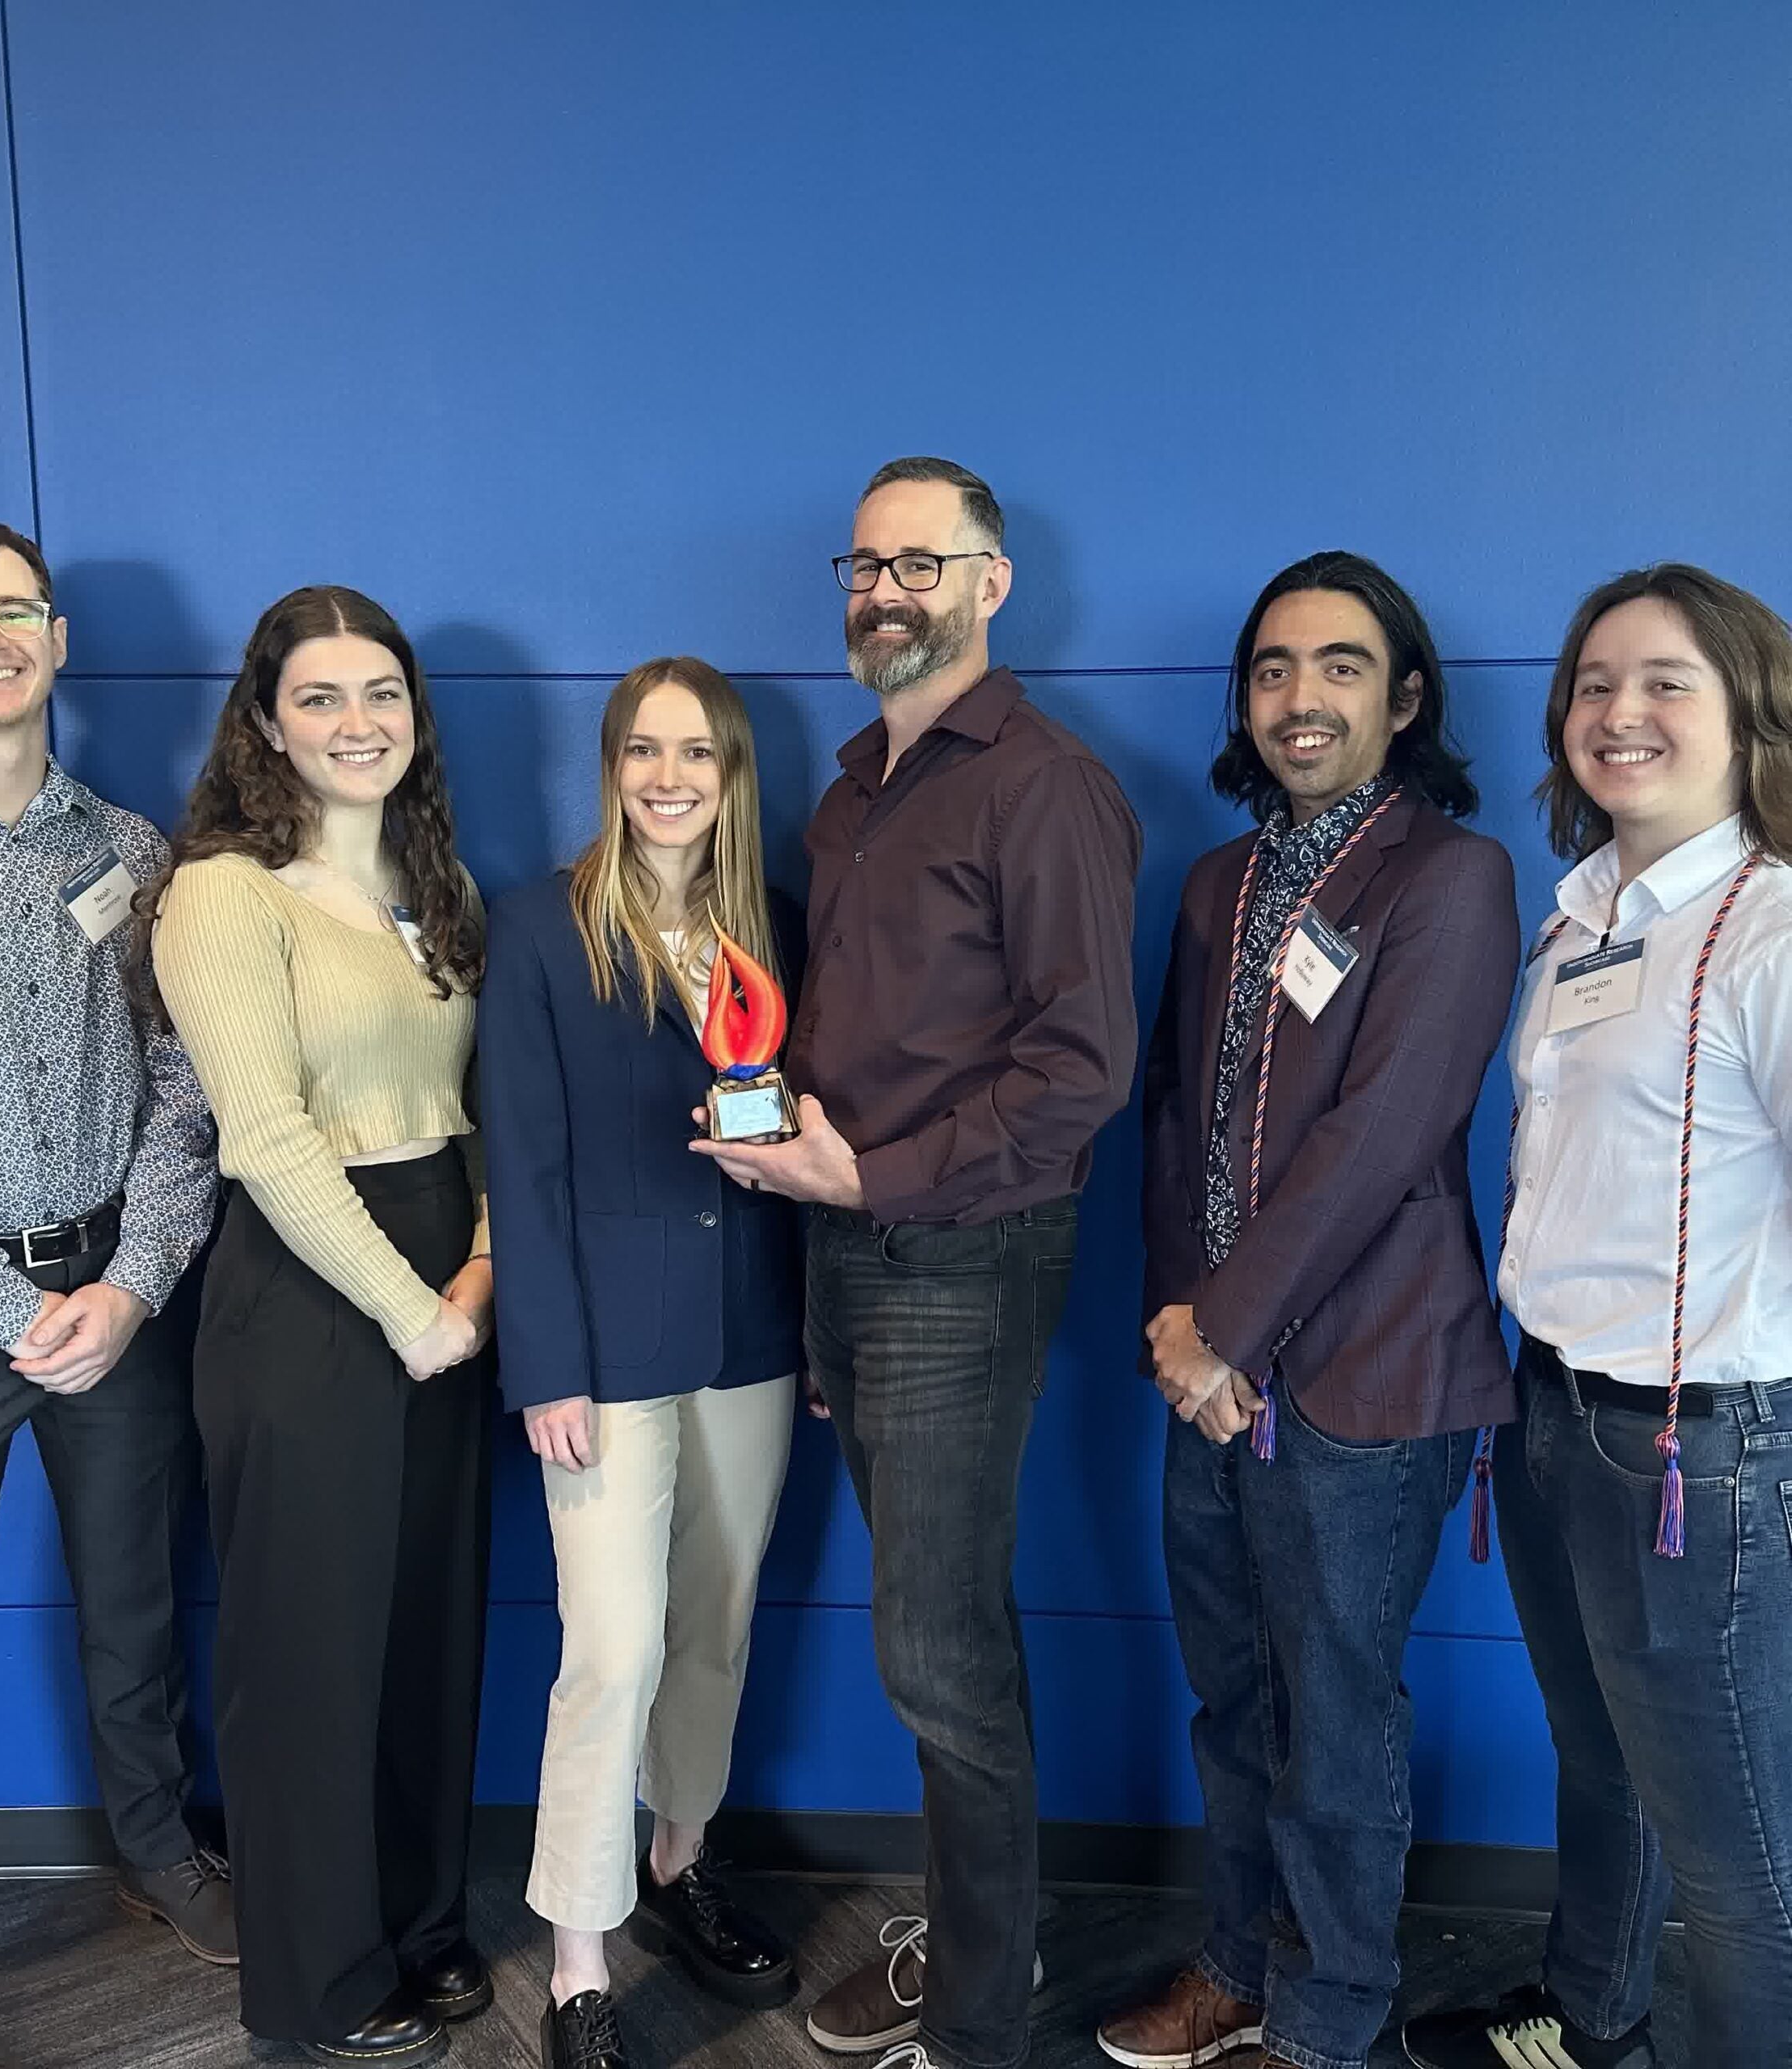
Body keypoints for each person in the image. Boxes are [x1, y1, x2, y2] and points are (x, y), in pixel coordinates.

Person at [694, 457, 1141, 2069]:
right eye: (864, 564)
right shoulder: (856, 785)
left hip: (959, 1260)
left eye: (919, 564)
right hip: (856, 1259)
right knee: (941, 1636)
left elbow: (1080, 1067)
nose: (883, 590)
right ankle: (975, 1939)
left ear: (991, 582)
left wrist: (868, 1170)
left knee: (938, 1655)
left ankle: (974, 2017)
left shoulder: (1042, 784)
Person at [1099, 552, 1518, 2069]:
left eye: (1340, 666)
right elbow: (1166, 1120)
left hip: (1357, 1376)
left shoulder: (1448, 875)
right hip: (1202, 1380)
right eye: (1273, 668)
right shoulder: (1220, 881)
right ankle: (1234, 1967)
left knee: (1334, 1722)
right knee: (1232, 1703)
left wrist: (1230, 1328)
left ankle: (1329, 2018)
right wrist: (1177, 1330)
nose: (1300, 697)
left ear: (1403, 698)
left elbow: (1388, 1129)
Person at [1403, 566, 1792, 2069]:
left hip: (1698, 1445)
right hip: (1554, 1402)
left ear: (1747, 712)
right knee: (1598, 1758)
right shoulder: (1579, 925)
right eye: (1593, 685)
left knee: (1737, 1853)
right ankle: (1587, 2019)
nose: (1618, 714)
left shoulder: (1767, 929)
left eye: (1664, 683)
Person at [0, 516, 226, 2069]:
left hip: (120, 1300)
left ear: (59, 638)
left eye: (15, 608)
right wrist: (1, 1302)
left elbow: (183, 1095)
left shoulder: (137, 857)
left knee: (137, 1612)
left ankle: (159, 1853)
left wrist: (134, 1286)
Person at [147, 587, 492, 2069]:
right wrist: (415, 1309)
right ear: (266, 725)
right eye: (320, 699)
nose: (357, 724)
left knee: (425, 1630)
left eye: (381, 695)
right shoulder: (225, 893)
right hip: (310, 1292)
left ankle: (420, 1921)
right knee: (308, 1651)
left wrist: (479, 1264)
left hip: (444, 1282)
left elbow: (470, 1111)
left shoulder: (438, 890)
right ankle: (319, 1981)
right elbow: (268, 1144)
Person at [482, 657, 808, 2069]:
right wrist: (542, 1363)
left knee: (715, 1624)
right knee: (609, 1652)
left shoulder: (777, 931)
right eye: (642, 751)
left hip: (748, 1338)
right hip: (603, 1354)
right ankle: (576, 1959)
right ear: (610, 767)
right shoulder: (540, 932)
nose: (669, 778)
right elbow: (524, 1162)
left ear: (734, 775)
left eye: (699, 754)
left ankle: (678, 1861)